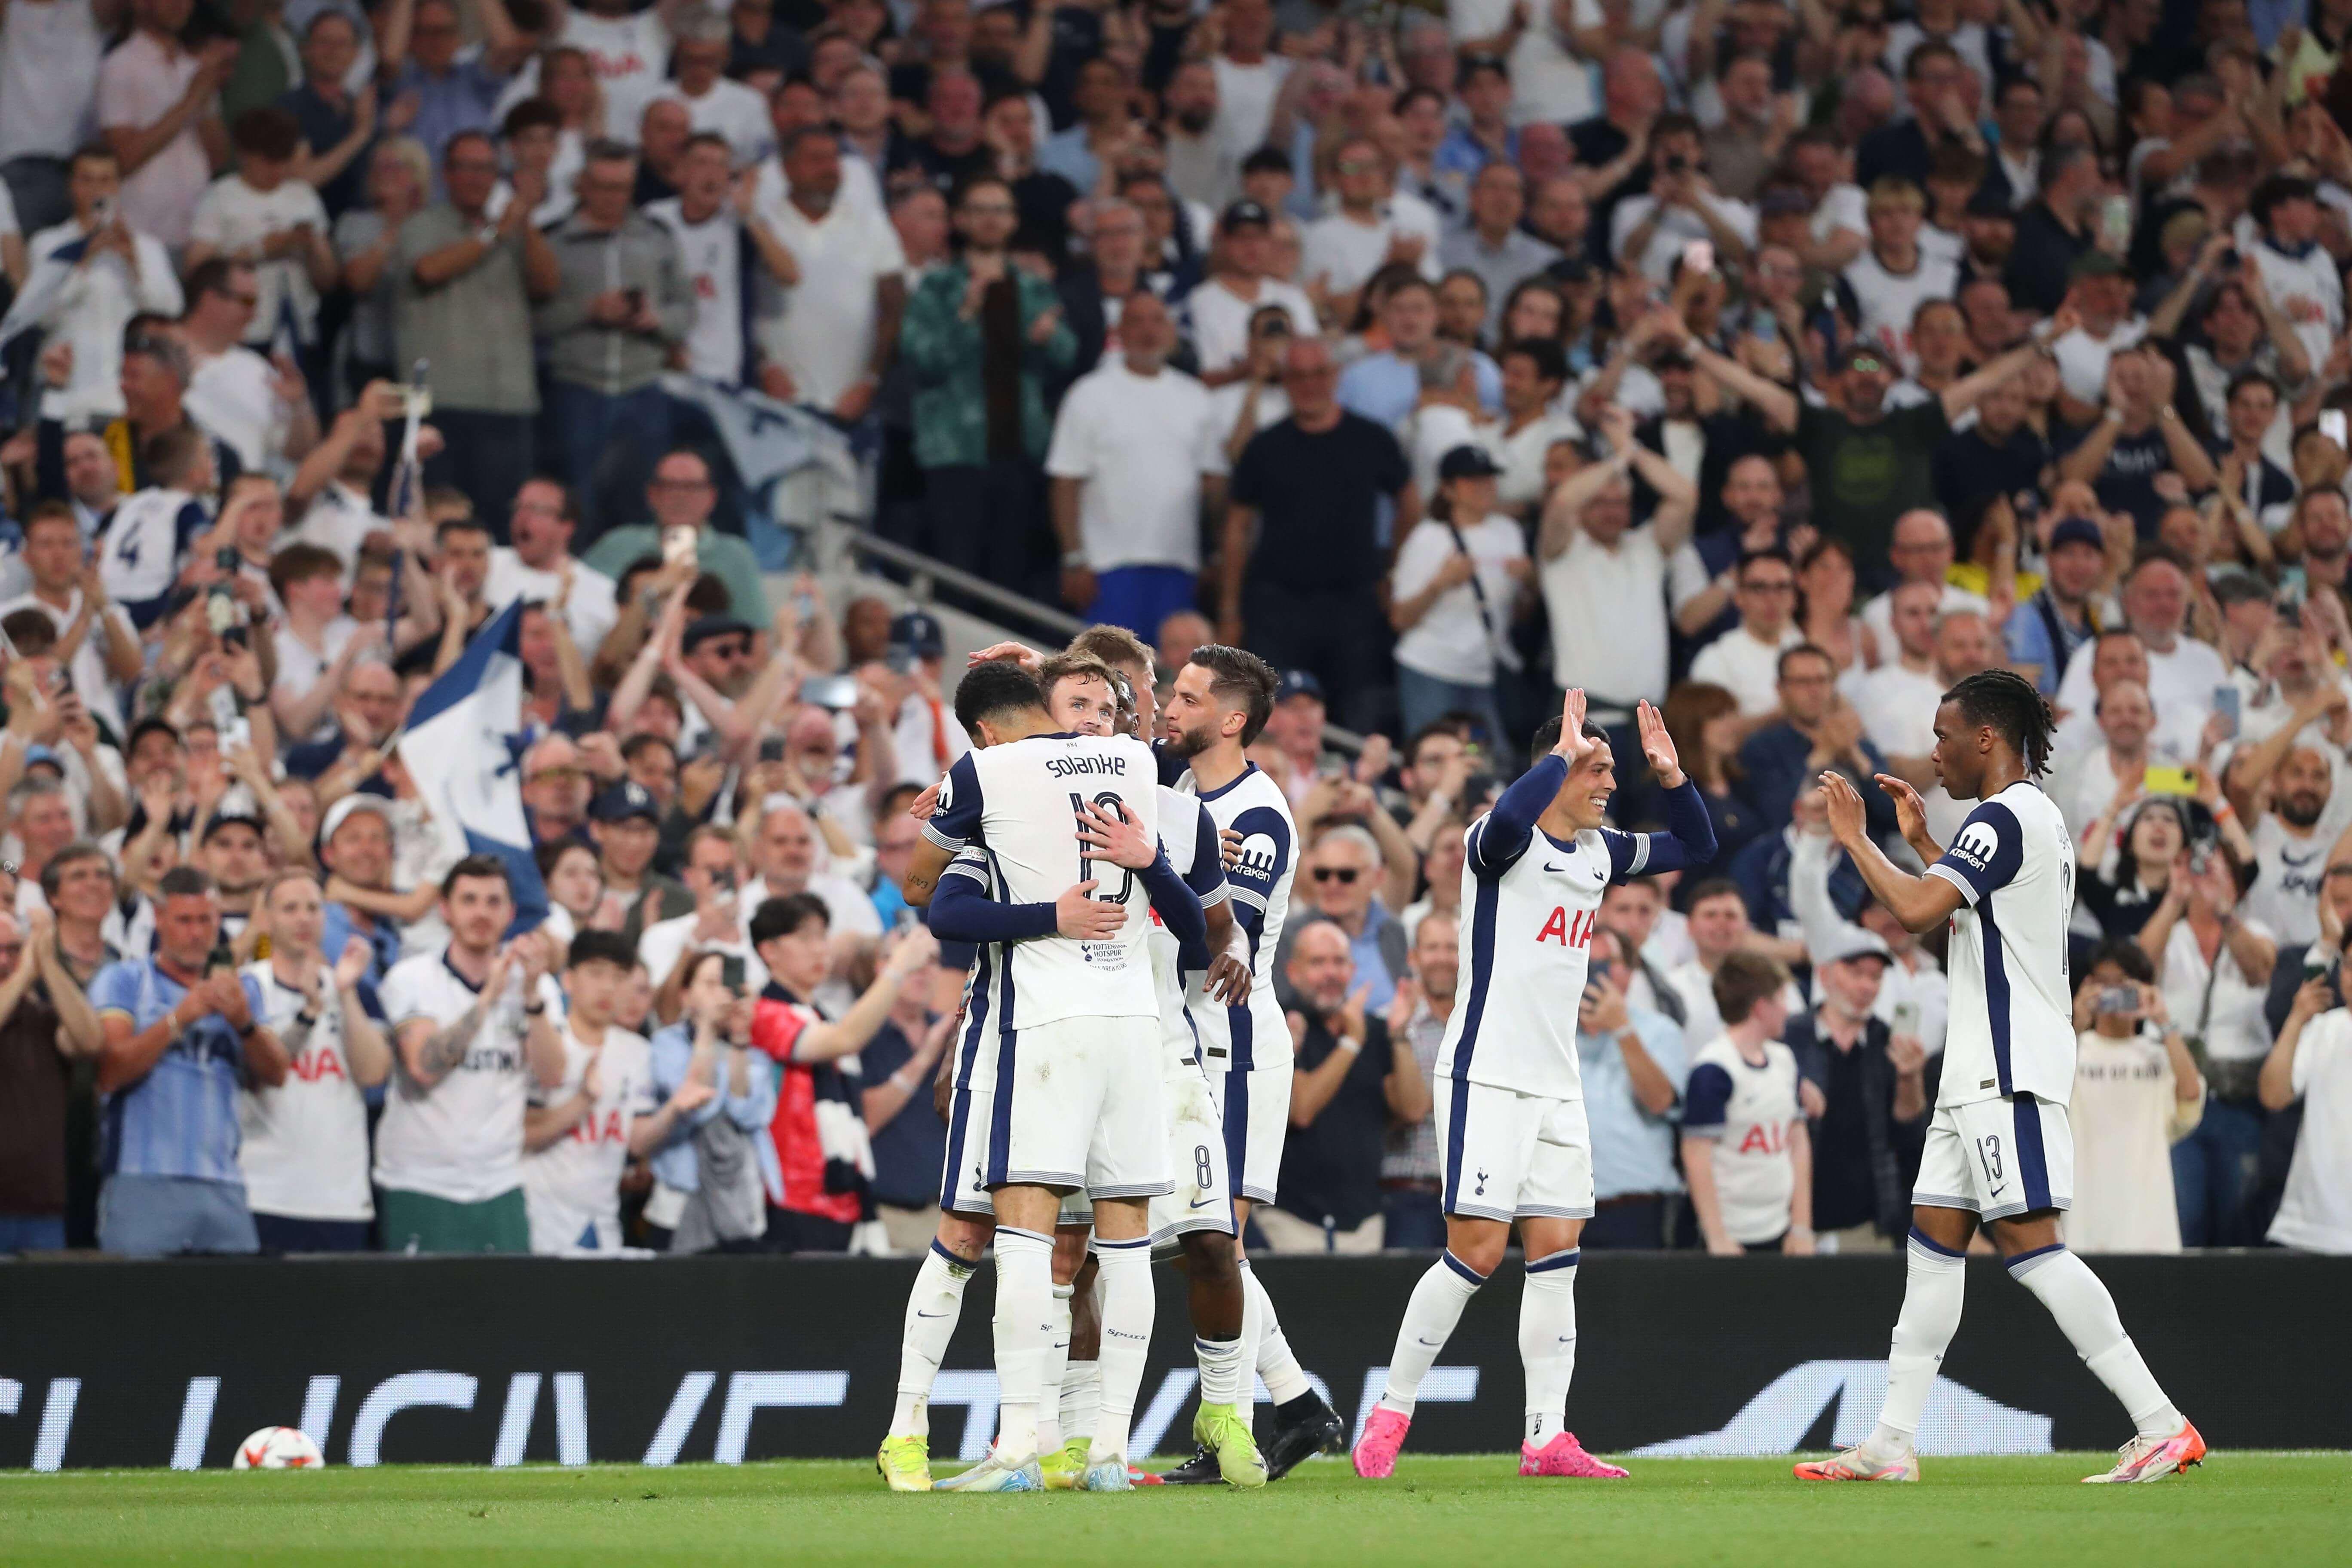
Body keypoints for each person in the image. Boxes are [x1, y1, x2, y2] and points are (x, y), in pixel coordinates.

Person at [1807, 670, 2203, 1484]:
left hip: (2005, 1064)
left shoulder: (2003, 814)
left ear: (1986, 736)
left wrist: (1856, 839)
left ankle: (2161, 1422)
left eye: (1943, 733)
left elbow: (1918, 914)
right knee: (1932, 1246)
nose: (1933, 750)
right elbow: (1958, 933)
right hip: (1976, 1071)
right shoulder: (2033, 820)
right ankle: (1889, 1440)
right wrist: (1923, 848)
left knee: (2029, 1246)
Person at [1355, 688, 1714, 1482]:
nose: (1608, 782)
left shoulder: (1602, 850)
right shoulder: (1500, 840)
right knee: (1477, 1252)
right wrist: (1559, 754)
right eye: (1597, 766)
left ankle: (1545, 1435)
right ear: (1554, 769)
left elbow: (1696, 843)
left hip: (1556, 1083)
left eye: (1611, 770)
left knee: (1557, 1253)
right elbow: (1513, 820)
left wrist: (1671, 772)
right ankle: (1393, 1406)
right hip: (1486, 1071)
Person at [1155, 644, 1348, 1482]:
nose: (1169, 705)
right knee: (1207, 1244)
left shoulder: (1257, 813)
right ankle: (1297, 1404)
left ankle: (1237, 1423)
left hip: (1234, 1038)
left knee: (1216, 1242)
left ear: (1231, 721)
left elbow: (1220, 943)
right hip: (1194, 1037)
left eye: (1189, 697)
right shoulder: (1182, 786)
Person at [1219, 337, 1416, 732]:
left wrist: (1394, 571)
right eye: (1298, 376)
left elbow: (1410, 506)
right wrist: (1229, 608)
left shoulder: (1372, 439)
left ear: (1335, 376)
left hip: (1355, 604)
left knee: (1358, 712)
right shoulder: (1264, 447)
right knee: (1270, 714)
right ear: (1285, 381)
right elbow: (1237, 528)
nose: (1309, 384)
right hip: (1278, 604)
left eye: (1318, 374)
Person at [374, 855, 567, 1254]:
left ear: (512, 913)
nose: (482, 912)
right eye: (470, 900)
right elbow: (425, 1067)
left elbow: (552, 1076)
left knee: (504, 1315)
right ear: (445, 910)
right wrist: (488, 998)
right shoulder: (412, 979)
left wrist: (530, 998)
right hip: (420, 1181)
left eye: (494, 902)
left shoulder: (537, 986)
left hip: (500, 1183)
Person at [91, 865, 285, 1256]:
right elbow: (110, 1072)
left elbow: (276, 1075)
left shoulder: (243, 988)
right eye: (184, 920)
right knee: (136, 1310)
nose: (196, 933)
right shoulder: (125, 979)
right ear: (159, 919)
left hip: (223, 1180)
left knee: (230, 1312)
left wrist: (244, 1023)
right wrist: (181, 1017)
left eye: (205, 920)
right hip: (142, 1176)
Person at [898, 173, 1076, 596]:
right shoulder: (938, 286)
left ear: (1013, 221)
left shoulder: (1033, 286)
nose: (991, 220)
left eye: (1000, 210)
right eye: (980, 210)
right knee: (958, 578)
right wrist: (965, 316)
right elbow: (921, 360)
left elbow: (1067, 356)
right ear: (960, 220)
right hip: (957, 453)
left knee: (1011, 579)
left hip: (1021, 452)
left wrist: (1052, 339)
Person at [397, 130, 559, 533]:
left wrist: (527, 219)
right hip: (443, 401)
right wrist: (496, 233)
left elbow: (547, 284)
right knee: (436, 521)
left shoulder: (513, 228)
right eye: (466, 168)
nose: (477, 178)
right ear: (446, 174)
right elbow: (428, 270)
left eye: (486, 169)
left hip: (508, 402)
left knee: (500, 527)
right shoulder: (422, 225)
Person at [522, 929, 713, 1253]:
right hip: (541, 1219)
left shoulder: (636, 1051)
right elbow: (526, 1136)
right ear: (568, 980)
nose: (608, 987)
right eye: (596, 974)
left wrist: (673, 1110)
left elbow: (636, 1139)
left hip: (602, 1221)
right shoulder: (547, 1044)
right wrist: (583, 1101)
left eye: (620, 977)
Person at [1043, 291, 1218, 639]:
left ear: (1171, 330)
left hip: (1178, 564)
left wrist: (1213, 554)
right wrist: (1074, 558)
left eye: (1157, 320)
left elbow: (1214, 486)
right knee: (1107, 679)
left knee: (1173, 683)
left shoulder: (1197, 398)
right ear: (1119, 332)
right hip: (1108, 566)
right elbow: (1066, 481)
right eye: (1136, 321)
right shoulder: (1089, 394)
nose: (1148, 330)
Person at [238, 866, 389, 1252]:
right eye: (290, 909)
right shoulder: (247, 989)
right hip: (264, 1192)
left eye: (313, 908)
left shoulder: (355, 989)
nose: (303, 918)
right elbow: (261, 1070)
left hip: (340, 1199)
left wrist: (346, 993)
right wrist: (309, 1011)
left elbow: (373, 1074)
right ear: (267, 920)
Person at [1262, 919, 1426, 1253]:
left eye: (1338, 962)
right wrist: (1351, 1044)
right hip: (1292, 1219)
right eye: (1318, 963)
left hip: (1364, 1221)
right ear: (1293, 972)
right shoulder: (1282, 1026)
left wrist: (1398, 1036)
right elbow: (1301, 1110)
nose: (1331, 973)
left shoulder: (1377, 1031)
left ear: (1352, 970)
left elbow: (1413, 1109)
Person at [2068, 941, 2202, 1254]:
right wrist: (2076, 1022)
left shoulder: (2160, 1055)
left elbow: (2191, 1098)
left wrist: (2165, 1022)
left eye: (2125, 985)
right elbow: (2044, 1102)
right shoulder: (2073, 1048)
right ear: (2089, 985)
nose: (2114, 993)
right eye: (2105, 983)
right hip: (2084, 1218)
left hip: (2148, 1225)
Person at [1391, 446, 1533, 740]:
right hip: (1431, 668)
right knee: (1434, 754)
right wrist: (1440, 583)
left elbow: (1518, 613)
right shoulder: (1428, 538)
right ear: (1448, 489)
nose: (1484, 487)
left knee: (1482, 762)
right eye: (1472, 480)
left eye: (1489, 478)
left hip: (1483, 670)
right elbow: (1400, 618)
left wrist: (1529, 583)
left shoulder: (1509, 532)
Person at [1682, 952, 1812, 1255]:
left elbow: (1798, 1141)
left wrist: (1801, 1225)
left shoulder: (1784, 1060)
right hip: (1732, 1233)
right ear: (1761, 1008)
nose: (1788, 1009)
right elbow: (1696, 1156)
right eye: (1781, 999)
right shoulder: (1714, 1069)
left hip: (1780, 1229)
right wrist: (1717, 1237)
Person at [0, 907, 103, 1252]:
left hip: (42, 1207)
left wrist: (50, 966)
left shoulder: (42, 1018)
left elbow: (90, 1041)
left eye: (14, 950)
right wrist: (27, 970)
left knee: (39, 1308)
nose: (5, 961)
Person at [2263, 967, 2352, 1254]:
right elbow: (2274, 1095)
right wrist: (2296, 1019)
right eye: (2350, 965)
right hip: (2313, 1225)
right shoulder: (2324, 1028)